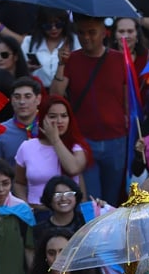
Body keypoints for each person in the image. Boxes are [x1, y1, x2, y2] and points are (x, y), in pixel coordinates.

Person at [51, 14, 128, 203]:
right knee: (91, 200)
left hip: (117, 140)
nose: (86, 37)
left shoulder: (120, 60)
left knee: (112, 199)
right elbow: (56, 96)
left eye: (92, 32)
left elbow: (129, 101)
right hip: (84, 141)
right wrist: (61, 64)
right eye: (81, 33)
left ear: (104, 33)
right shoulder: (71, 60)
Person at [14, 95, 90, 206]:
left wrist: (55, 139)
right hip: (37, 212)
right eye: (52, 116)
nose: (59, 121)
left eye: (64, 116)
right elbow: (19, 183)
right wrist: (26, 208)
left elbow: (73, 168)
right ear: (43, 119)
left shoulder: (76, 148)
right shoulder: (27, 147)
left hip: (69, 213)